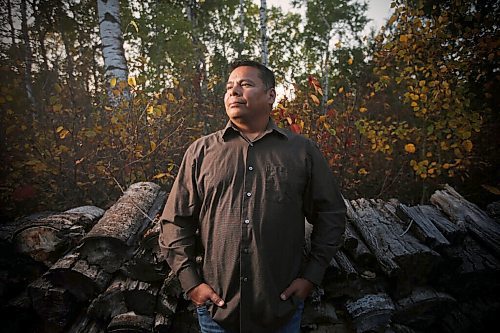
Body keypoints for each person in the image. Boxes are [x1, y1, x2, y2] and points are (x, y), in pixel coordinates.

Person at [159, 60, 346, 333]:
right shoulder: (201, 152)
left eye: (245, 84)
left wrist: (311, 276)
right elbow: (175, 221)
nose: (234, 92)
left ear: (271, 95)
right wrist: (191, 283)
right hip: (217, 312)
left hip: (280, 309)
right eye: (229, 87)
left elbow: (331, 214)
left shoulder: (301, 151)